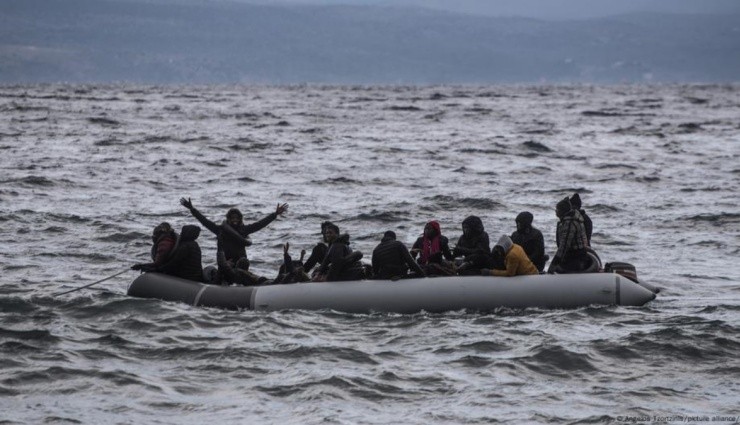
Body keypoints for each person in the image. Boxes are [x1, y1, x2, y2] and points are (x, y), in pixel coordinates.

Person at [179, 197, 288, 264]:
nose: (235, 220)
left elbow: (260, 224)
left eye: (237, 218)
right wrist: (192, 209)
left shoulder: (244, 230)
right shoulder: (220, 230)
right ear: (229, 219)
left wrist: (275, 214)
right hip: (225, 263)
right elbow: (205, 221)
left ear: (240, 219)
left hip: (240, 262)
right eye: (232, 218)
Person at [548, 197, 590, 274]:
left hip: (575, 257)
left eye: (557, 209)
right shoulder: (572, 220)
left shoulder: (569, 223)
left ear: (562, 211)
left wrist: (554, 263)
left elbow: (564, 245)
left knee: (559, 270)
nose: (555, 211)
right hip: (577, 255)